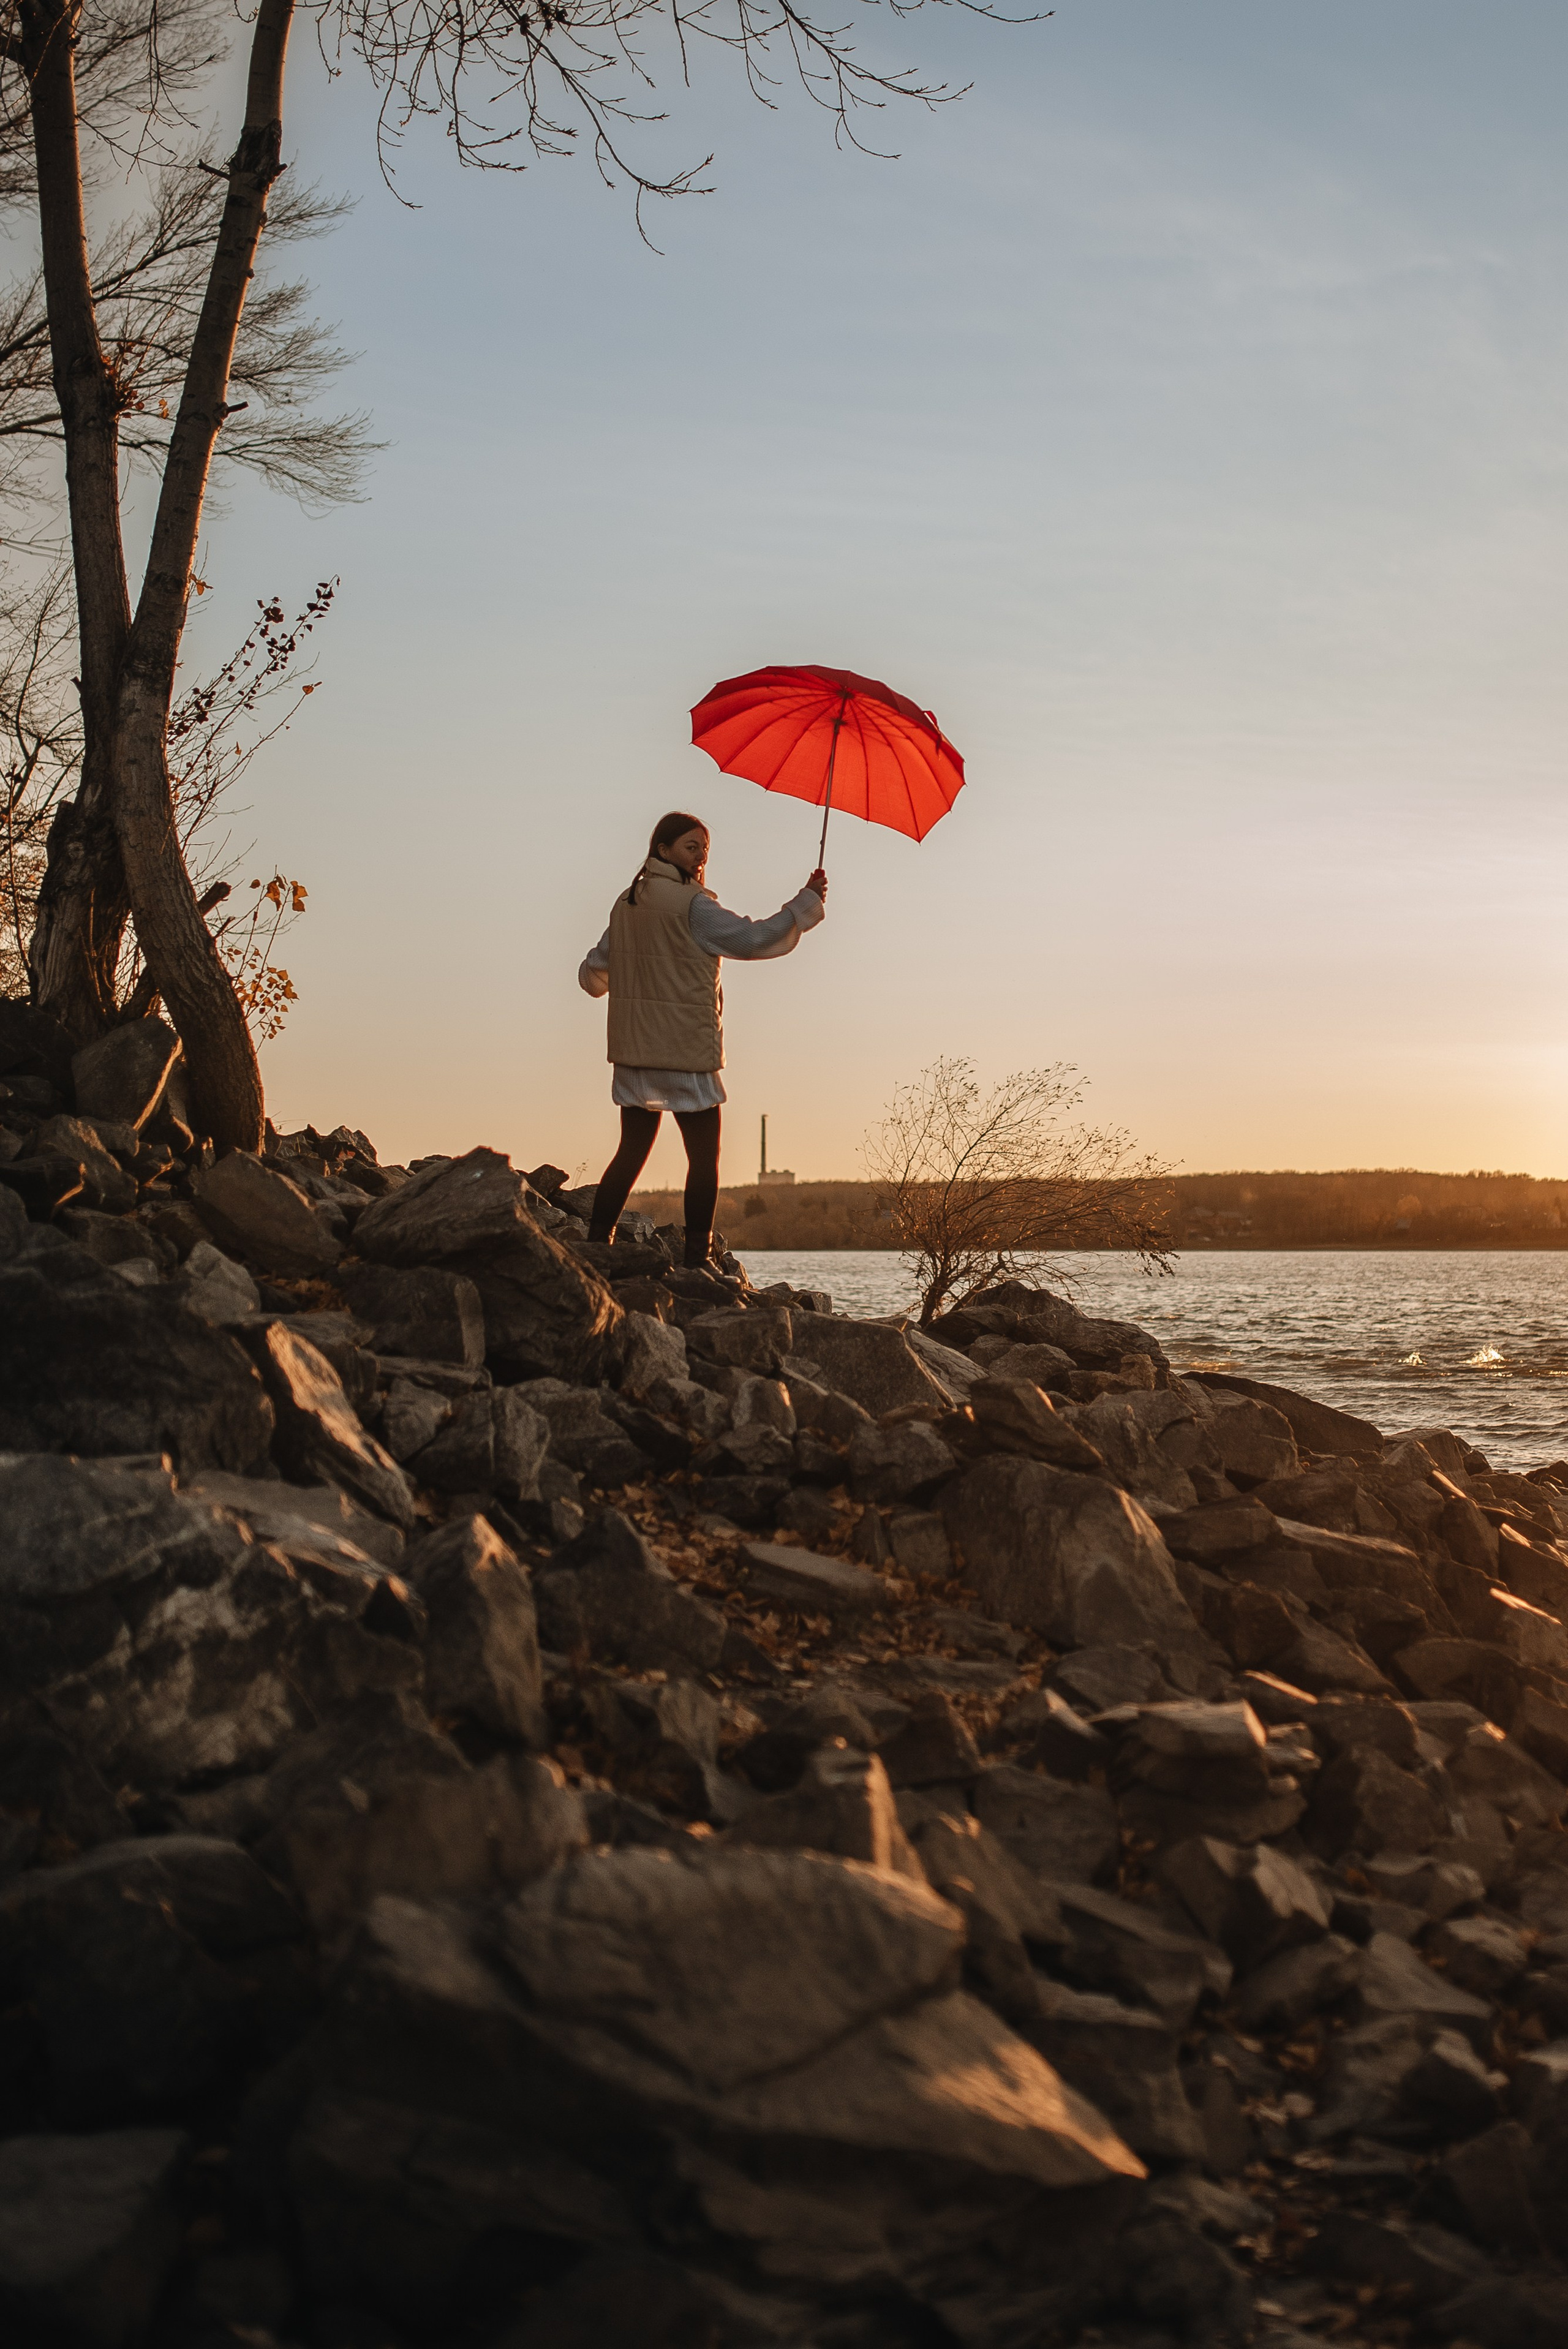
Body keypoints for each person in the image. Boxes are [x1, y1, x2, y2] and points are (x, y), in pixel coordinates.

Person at [578, 810, 826, 1268]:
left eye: (704, 850)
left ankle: (597, 1245)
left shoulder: (627, 903)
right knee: (704, 1158)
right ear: (664, 849)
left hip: (635, 1053)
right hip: (686, 1053)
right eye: (691, 847)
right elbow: (753, 938)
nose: (700, 857)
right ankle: (698, 1260)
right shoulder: (694, 907)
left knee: (630, 1152)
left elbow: (594, 972)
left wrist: (612, 976)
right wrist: (805, 903)